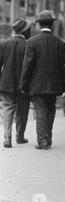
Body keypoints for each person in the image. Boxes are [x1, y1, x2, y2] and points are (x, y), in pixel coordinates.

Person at [19, 10, 65, 150]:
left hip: (37, 85)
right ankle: (48, 138)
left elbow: (27, 65)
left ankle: (42, 141)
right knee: (51, 110)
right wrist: (64, 86)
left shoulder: (32, 42)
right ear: (52, 25)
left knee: (41, 110)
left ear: (39, 25)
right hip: (54, 85)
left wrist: (23, 84)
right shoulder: (60, 44)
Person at [0, 18, 31, 148]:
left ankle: (7, 138)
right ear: (25, 31)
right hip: (23, 84)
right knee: (22, 111)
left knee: (7, 109)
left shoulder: (4, 43)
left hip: (6, 82)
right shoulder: (28, 44)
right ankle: (20, 137)